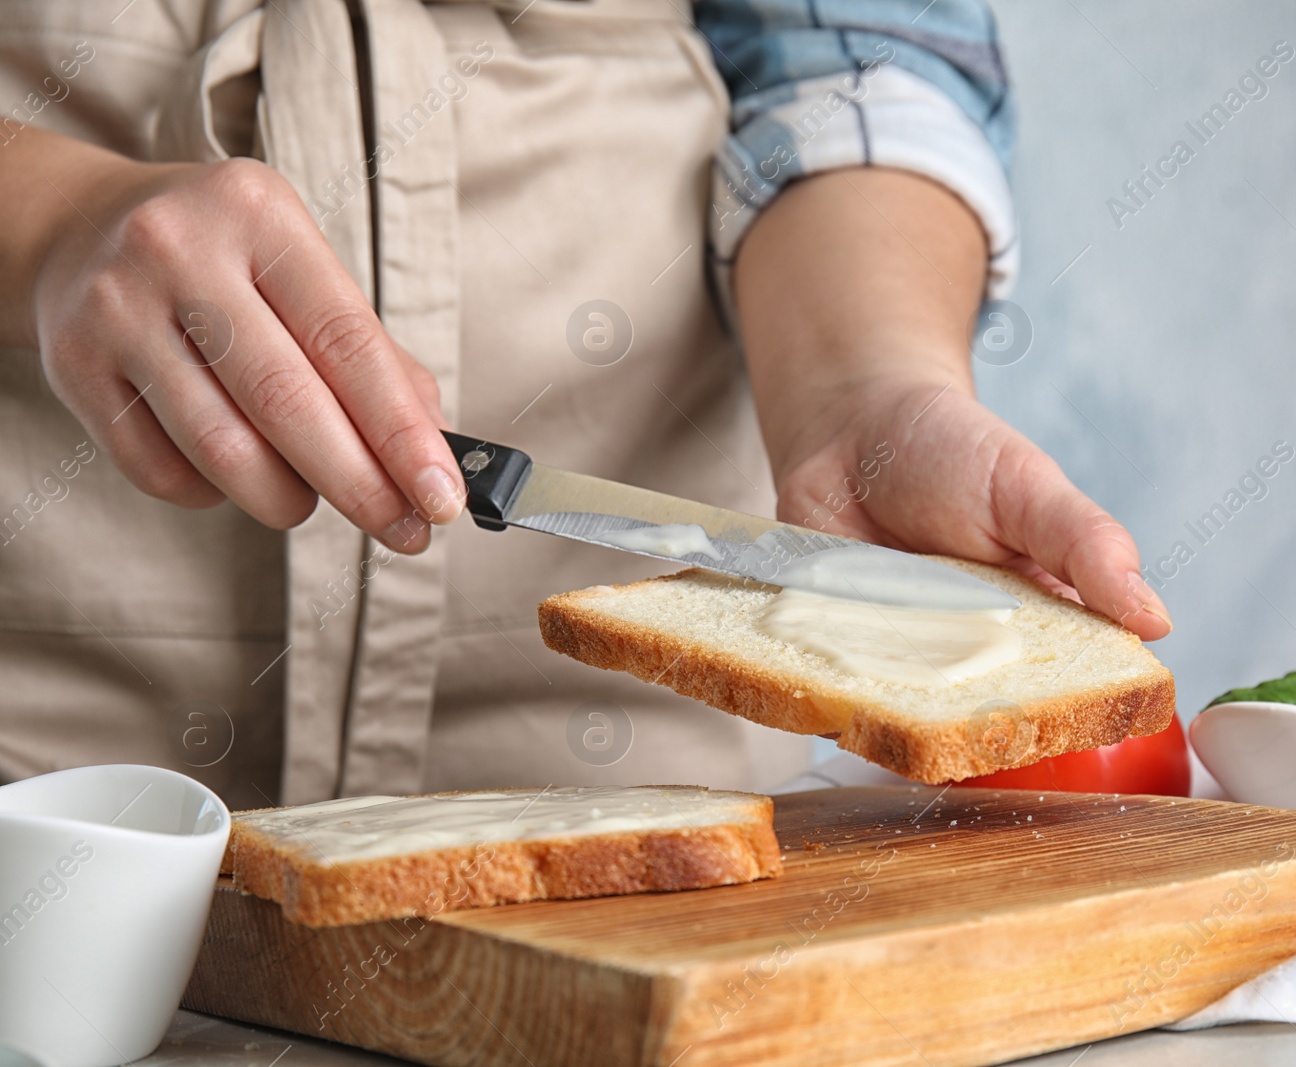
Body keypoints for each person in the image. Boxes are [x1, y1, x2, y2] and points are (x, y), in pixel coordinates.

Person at [0, 0, 1168, 812]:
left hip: (641, 765)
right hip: (45, 737)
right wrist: (45, 220)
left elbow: (848, 51)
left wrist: (864, 391)